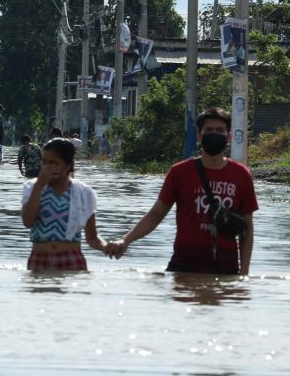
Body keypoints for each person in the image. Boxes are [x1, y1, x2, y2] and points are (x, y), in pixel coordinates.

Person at [109, 107, 258, 275]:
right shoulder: (180, 172)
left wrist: (244, 274)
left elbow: (247, 229)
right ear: (199, 136)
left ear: (229, 136)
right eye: (209, 130)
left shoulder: (241, 175)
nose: (214, 134)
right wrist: (125, 240)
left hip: (226, 265)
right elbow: (156, 214)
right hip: (184, 263)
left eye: (219, 130)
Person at [21, 138, 111, 271]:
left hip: (71, 260)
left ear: (68, 165)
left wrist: (106, 247)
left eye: (54, 162)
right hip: (39, 259)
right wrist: (39, 186)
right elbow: (28, 222)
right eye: (44, 162)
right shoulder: (32, 188)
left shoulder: (84, 193)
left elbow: (92, 238)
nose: (47, 167)